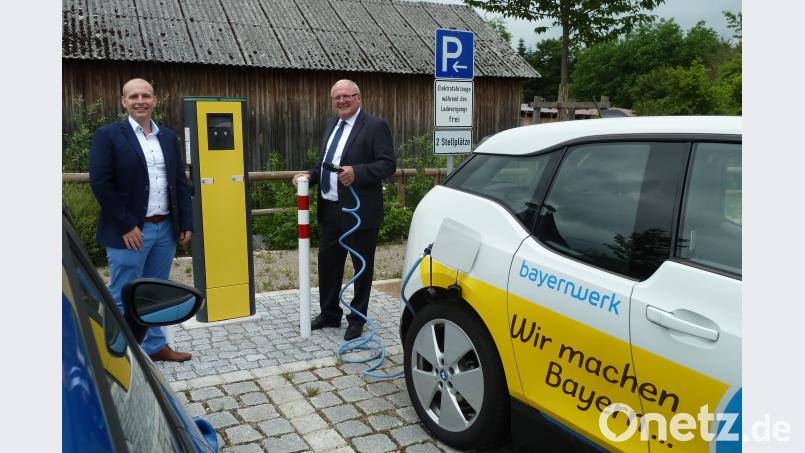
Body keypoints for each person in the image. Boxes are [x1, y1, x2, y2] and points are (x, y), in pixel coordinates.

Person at [89, 78, 194, 362]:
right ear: (123, 101)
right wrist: (126, 225)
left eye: (146, 95)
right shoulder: (108, 135)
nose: (140, 101)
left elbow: (179, 181)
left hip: (164, 228)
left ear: (154, 100)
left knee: (155, 292)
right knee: (123, 293)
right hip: (130, 232)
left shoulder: (167, 137)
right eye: (133, 96)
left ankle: (155, 347)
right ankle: (119, 357)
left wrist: (185, 222)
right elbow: (101, 182)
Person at [293, 79, 396, 341]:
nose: (341, 101)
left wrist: (357, 172)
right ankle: (330, 313)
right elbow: (324, 164)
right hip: (329, 208)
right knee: (328, 264)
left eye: (346, 96)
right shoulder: (331, 125)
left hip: (359, 212)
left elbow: (387, 164)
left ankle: (357, 318)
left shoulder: (375, 126)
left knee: (361, 267)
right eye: (337, 97)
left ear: (358, 98)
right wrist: (309, 176)